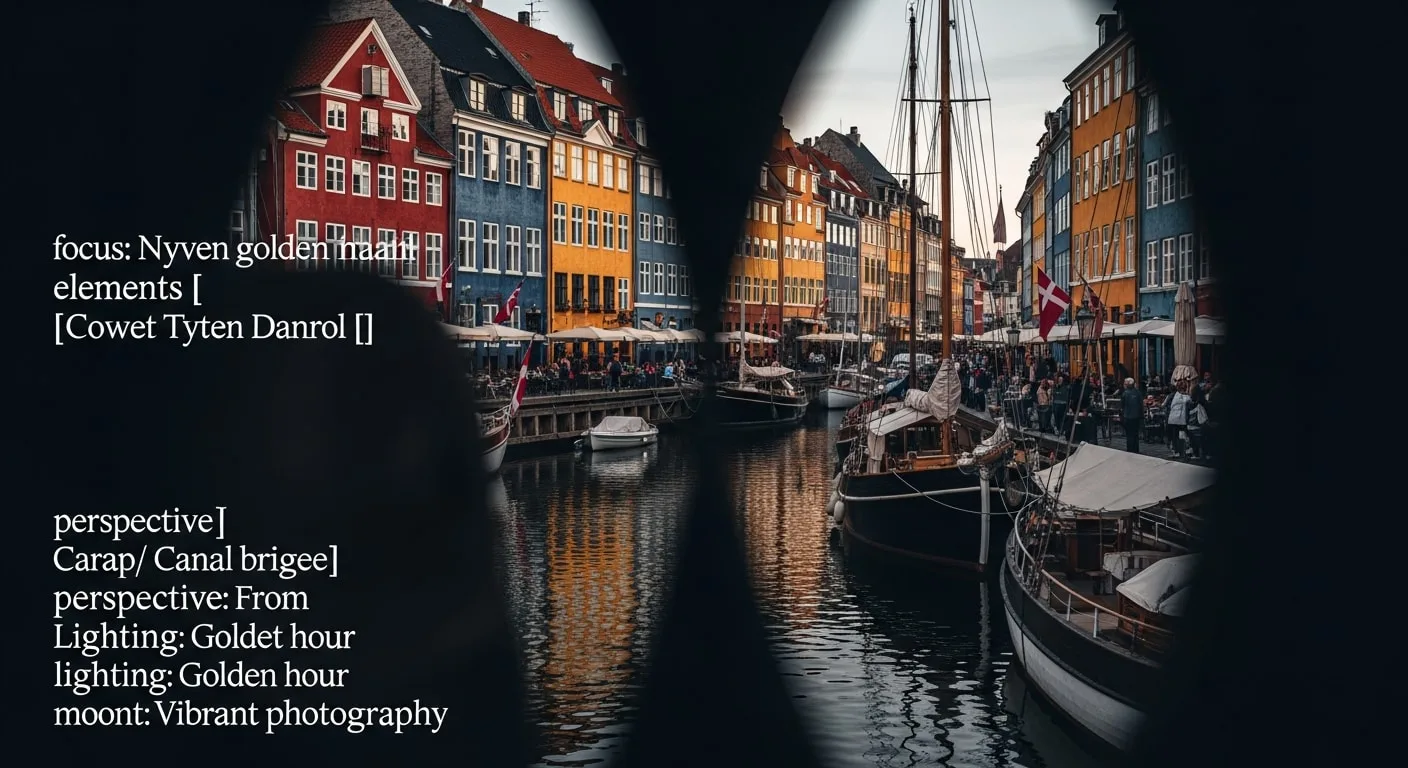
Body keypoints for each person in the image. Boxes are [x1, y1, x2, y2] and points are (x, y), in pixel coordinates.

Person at [1163, 383, 1193, 459]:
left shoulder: (1173, 396)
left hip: (1174, 418)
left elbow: (1164, 405)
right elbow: (1190, 405)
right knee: (1183, 434)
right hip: (1182, 419)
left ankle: (1177, 451)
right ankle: (1185, 450)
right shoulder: (1187, 397)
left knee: (1175, 435)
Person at [1120, 377, 1143, 453]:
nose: (1124, 385)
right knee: (1135, 434)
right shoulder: (1138, 393)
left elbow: (1122, 405)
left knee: (1129, 435)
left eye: (1125, 383)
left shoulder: (1125, 393)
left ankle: (1130, 450)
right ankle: (1136, 449)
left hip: (1128, 417)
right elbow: (1141, 405)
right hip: (1136, 417)